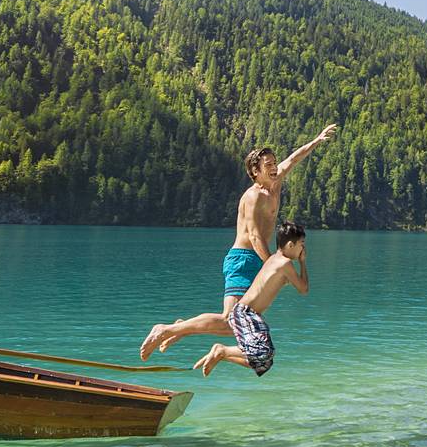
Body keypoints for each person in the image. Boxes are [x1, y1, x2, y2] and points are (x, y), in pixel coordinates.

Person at [140, 124, 336, 360]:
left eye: (275, 162)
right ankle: (166, 329)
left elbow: (294, 158)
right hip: (243, 259)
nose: (275, 167)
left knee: (235, 324)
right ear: (255, 171)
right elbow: (254, 236)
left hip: (257, 260)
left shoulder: (275, 181)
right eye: (268, 165)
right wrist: (272, 266)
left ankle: (181, 328)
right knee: (229, 320)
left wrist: (317, 139)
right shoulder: (252, 197)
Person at [194, 221, 308, 376]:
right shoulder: (284, 263)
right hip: (245, 313)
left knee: (264, 363)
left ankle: (223, 354)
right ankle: (222, 350)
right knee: (263, 353)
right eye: (302, 244)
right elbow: (303, 289)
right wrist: (302, 263)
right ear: (290, 245)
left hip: (248, 314)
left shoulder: (274, 260)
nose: (303, 249)